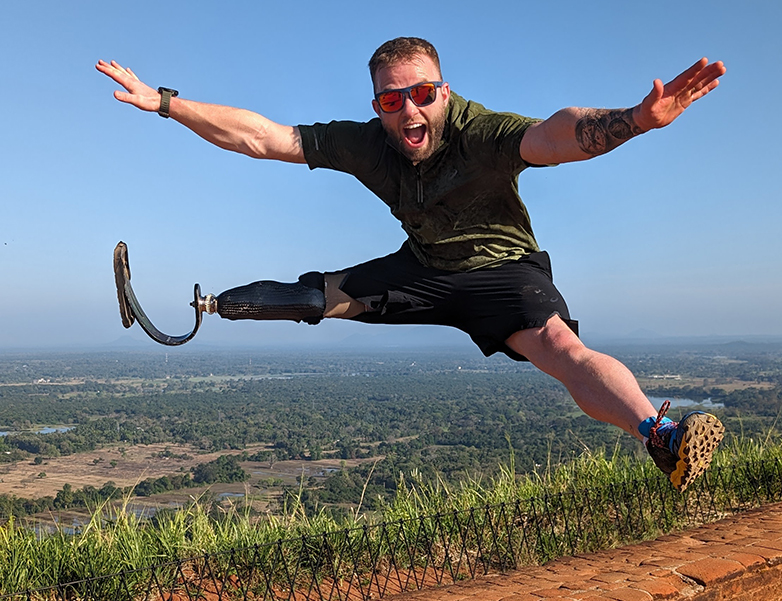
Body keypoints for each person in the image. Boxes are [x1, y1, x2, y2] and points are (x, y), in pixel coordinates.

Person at [96, 37, 726, 492]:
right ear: (377, 106)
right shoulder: (369, 143)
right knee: (321, 297)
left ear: (443, 92)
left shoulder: (479, 131)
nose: (409, 111)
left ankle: (659, 436)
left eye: (422, 94)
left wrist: (635, 120)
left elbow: (555, 136)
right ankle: (213, 305)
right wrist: (165, 104)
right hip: (423, 268)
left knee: (561, 348)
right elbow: (262, 137)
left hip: (502, 272)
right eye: (392, 100)